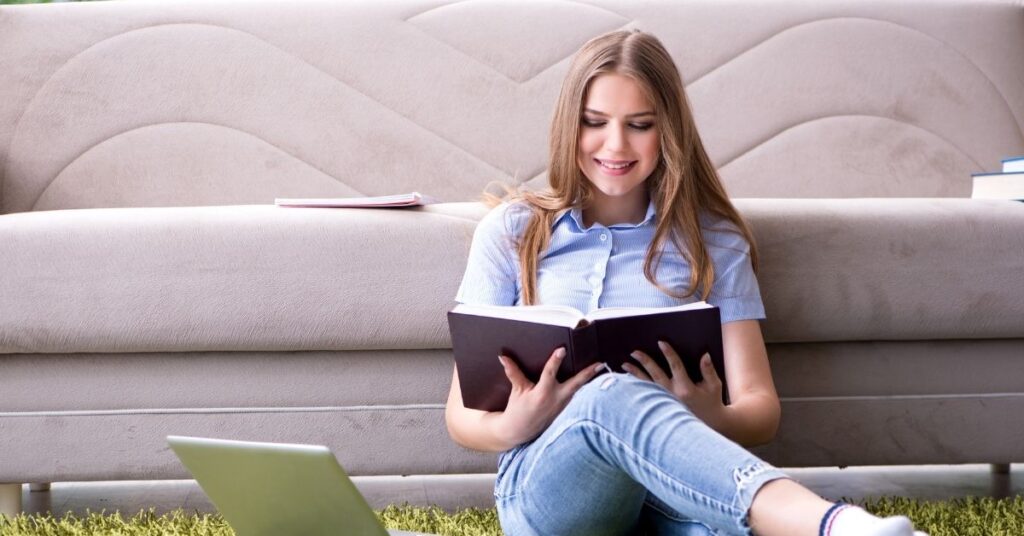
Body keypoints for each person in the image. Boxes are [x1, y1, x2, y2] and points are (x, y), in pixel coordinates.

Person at [445, 29, 927, 536]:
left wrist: (706, 413)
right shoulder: (513, 231)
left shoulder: (713, 241)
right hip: (550, 493)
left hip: (673, 495)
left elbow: (760, 409)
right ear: (570, 125)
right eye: (594, 123)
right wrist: (512, 425)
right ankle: (832, 524)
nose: (615, 144)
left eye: (639, 125)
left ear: (668, 130)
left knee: (714, 521)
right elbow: (459, 416)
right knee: (609, 395)